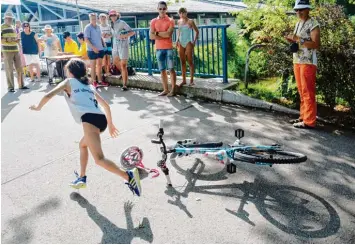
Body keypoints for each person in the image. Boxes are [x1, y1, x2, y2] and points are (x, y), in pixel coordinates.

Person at [29, 58, 142, 196]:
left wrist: (37, 107)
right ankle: (82, 177)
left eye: (66, 70)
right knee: (83, 145)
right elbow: (105, 105)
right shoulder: (89, 86)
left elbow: (49, 94)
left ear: (70, 72)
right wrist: (110, 124)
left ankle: (128, 176)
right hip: (100, 120)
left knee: (99, 159)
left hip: (90, 120)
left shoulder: (69, 82)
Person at [285, 0, 320, 129]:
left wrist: (299, 39)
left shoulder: (313, 24)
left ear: (308, 9)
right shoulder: (298, 23)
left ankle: (309, 121)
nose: (298, 12)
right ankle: (303, 117)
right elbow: (298, 41)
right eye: (297, 10)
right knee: (301, 91)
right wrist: (291, 39)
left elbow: (316, 44)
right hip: (297, 60)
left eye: (301, 9)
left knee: (308, 91)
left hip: (308, 61)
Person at [150, 1, 177, 96]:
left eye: (164, 8)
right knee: (162, 70)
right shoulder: (153, 21)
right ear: (157, 9)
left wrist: (157, 33)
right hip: (159, 48)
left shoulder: (171, 20)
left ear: (166, 9)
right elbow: (151, 36)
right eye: (160, 8)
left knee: (171, 69)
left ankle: (173, 90)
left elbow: (169, 34)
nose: (162, 10)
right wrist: (163, 34)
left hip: (168, 48)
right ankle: (165, 90)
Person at [1, 12, 28, 92]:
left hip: (16, 49)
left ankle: (21, 85)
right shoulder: (1, 27)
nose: (10, 20)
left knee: (19, 68)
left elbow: (16, 37)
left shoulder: (13, 27)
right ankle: (11, 87)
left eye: (11, 19)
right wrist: (7, 40)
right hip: (7, 50)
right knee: (9, 69)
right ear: (5, 19)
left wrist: (17, 41)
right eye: (8, 18)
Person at [109, 9, 135, 91]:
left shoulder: (122, 23)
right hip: (115, 45)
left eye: (114, 15)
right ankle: (123, 74)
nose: (113, 16)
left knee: (123, 65)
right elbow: (114, 34)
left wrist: (124, 36)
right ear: (110, 17)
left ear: (117, 15)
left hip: (123, 45)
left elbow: (132, 32)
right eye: (111, 15)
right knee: (115, 61)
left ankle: (124, 84)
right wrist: (107, 35)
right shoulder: (111, 24)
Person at [84, 13, 109, 88]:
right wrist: (93, 48)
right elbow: (86, 39)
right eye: (92, 19)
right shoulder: (87, 27)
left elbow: (100, 36)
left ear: (97, 18)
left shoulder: (98, 27)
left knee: (99, 66)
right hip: (92, 50)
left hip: (100, 49)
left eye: (95, 18)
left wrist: (103, 43)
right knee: (93, 66)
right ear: (90, 19)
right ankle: (94, 82)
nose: (94, 20)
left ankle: (100, 81)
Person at [176, 7, 199, 87]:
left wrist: (194, 42)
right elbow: (178, 32)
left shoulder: (190, 21)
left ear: (186, 13)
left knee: (190, 61)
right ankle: (184, 80)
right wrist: (176, 41)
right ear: (179, 14)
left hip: (188, 43)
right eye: (180, 13)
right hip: (181, 43)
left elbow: (197, 31)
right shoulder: (179, 21)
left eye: (184, 12)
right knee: (182, 62)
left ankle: (191, 80)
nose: (182, 14)